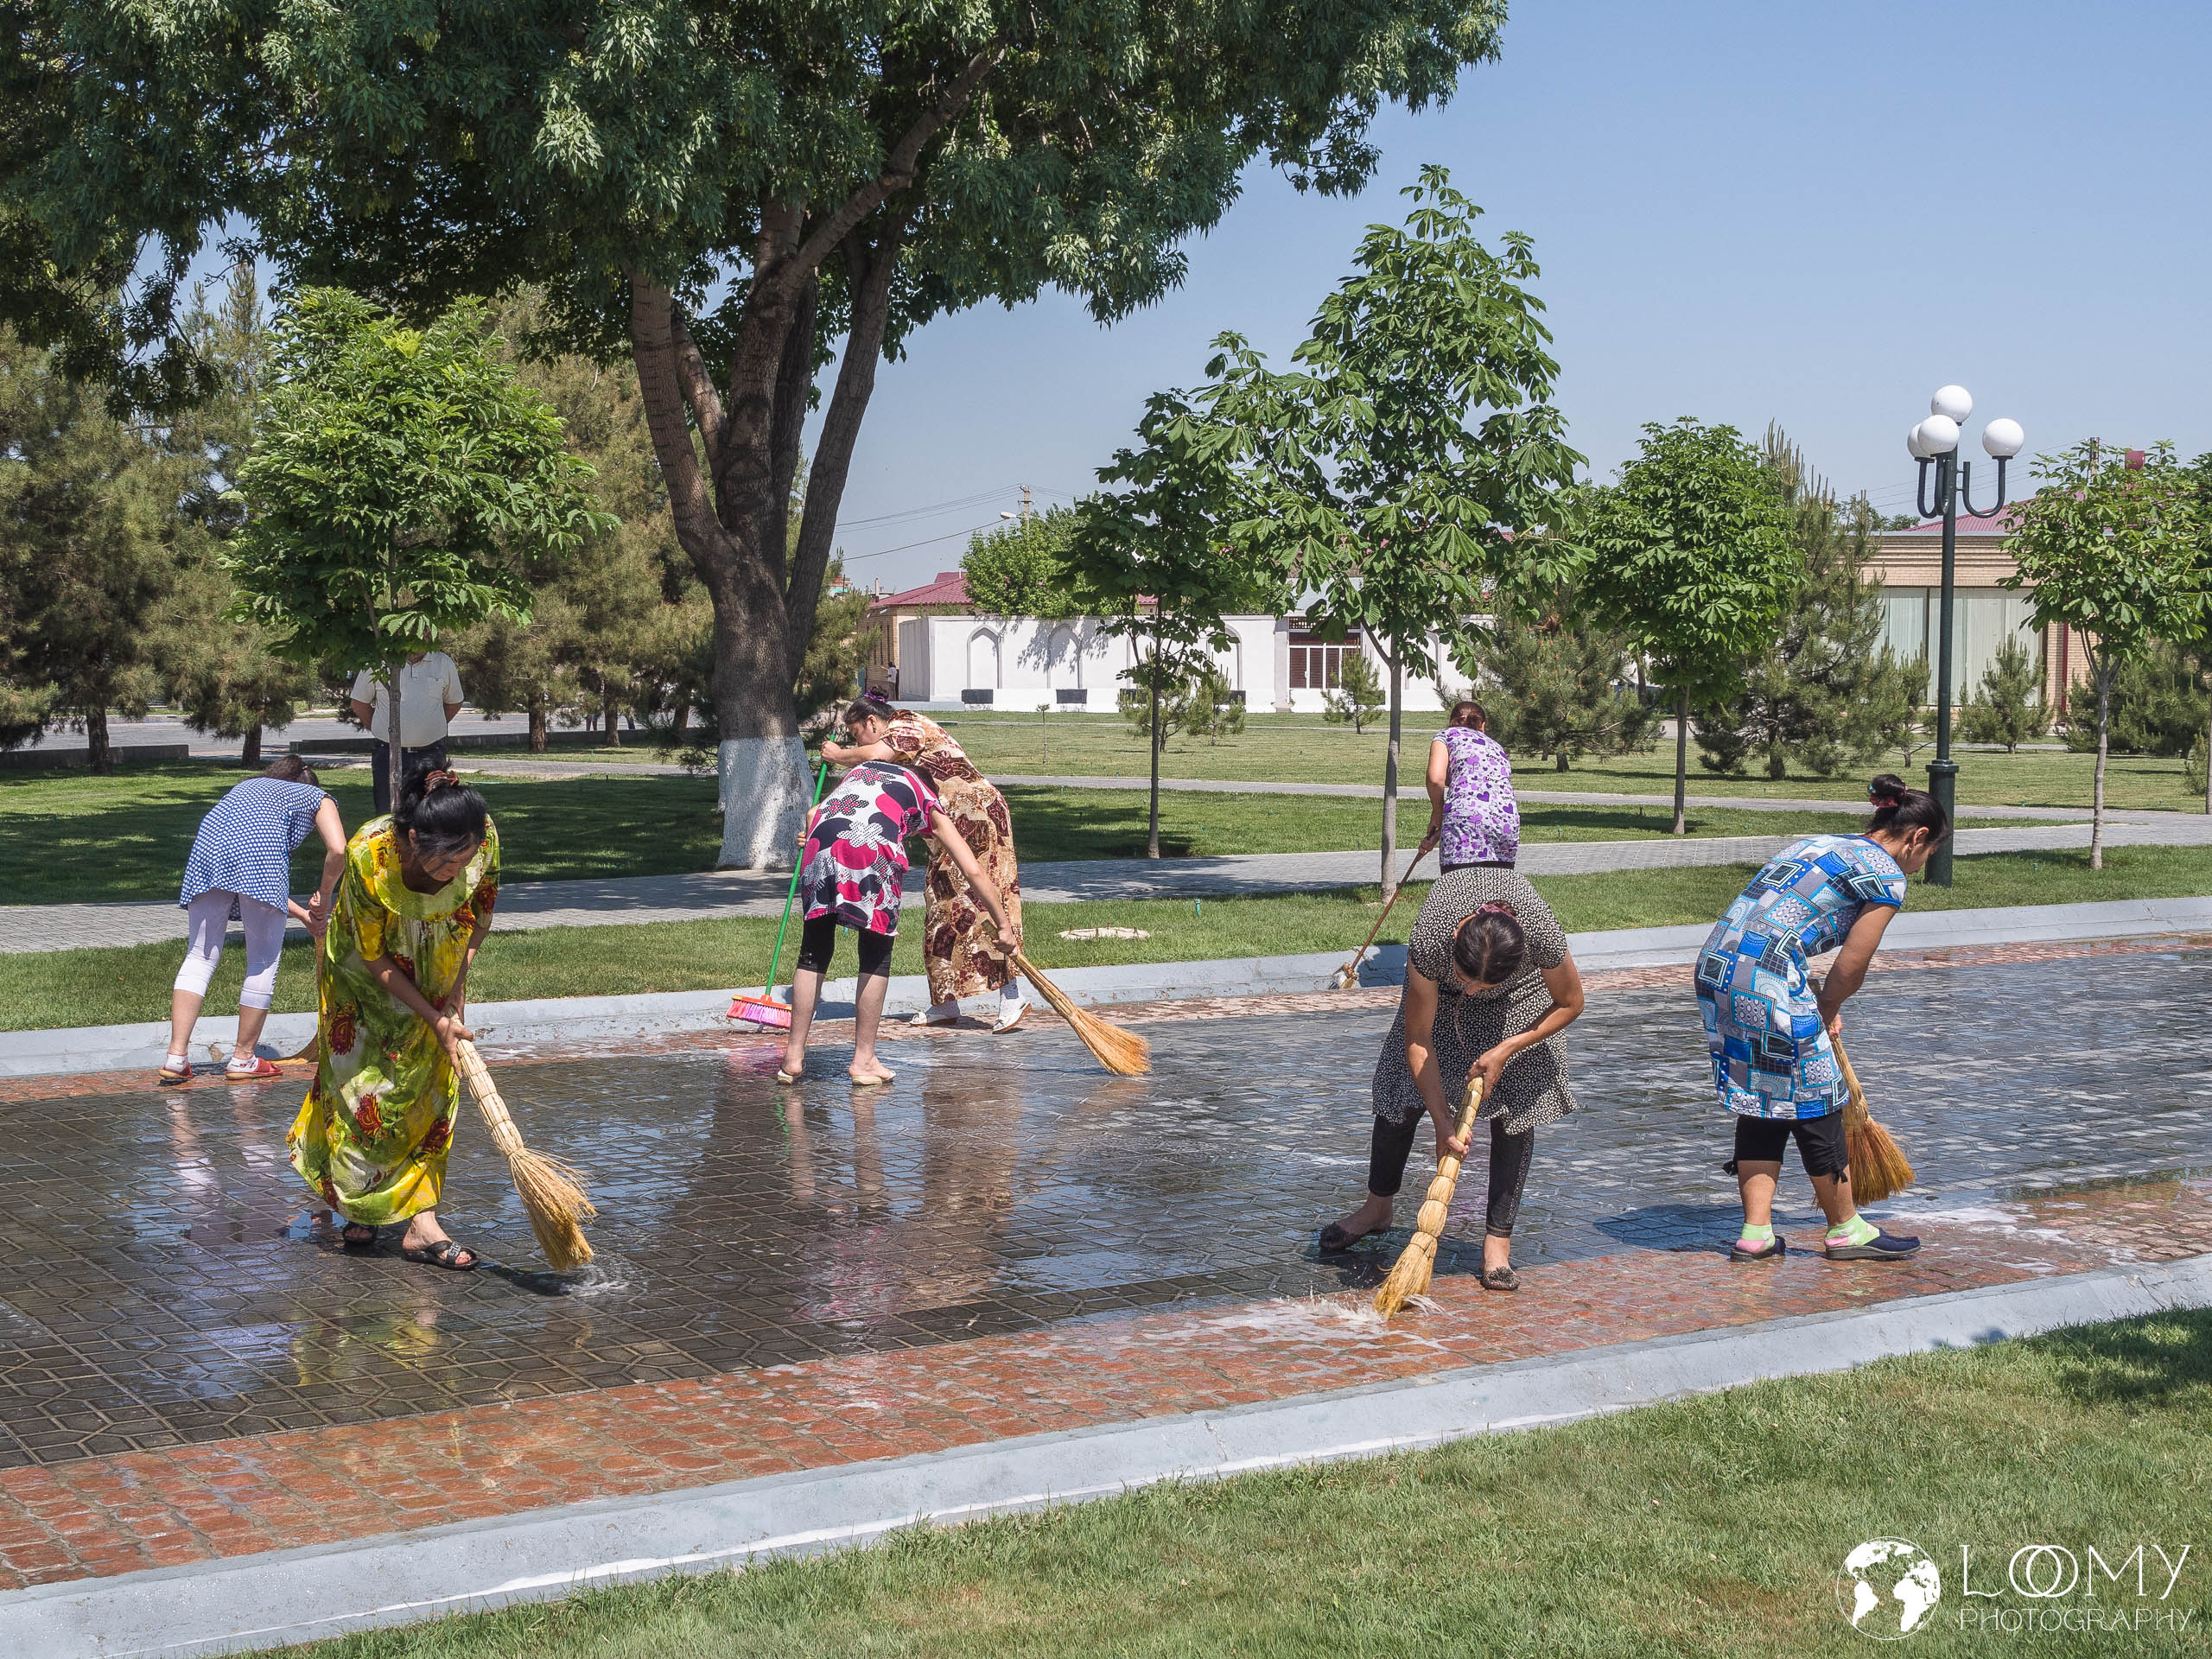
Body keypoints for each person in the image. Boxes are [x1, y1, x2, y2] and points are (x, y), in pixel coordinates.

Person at [1695, 773, 1948, 1265]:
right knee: (1818, 1098)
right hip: (1767, 981)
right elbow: (1853, 962)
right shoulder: (1885, 876)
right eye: (1928, 854)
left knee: (1763, 1096)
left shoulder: (1823, 842)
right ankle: (1846, 1229)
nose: (1920, 866)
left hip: (1719, 969)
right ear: (1917, 838)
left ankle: (1756, 1234)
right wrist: (1827, 1008)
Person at [1319, 868, 1586, 1292]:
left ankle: (1497, 1243)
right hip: (1437, 1003)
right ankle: (1377, 1210)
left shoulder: (1539, 929)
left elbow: (1571, 1002)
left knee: (1514, 1113)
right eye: (1468, 980)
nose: (1474, 992)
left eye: (1484, 985)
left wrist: (1505, 1050)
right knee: (1399, 1095)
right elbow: (1419, 1038)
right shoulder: (1432, 935)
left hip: (1521, 1004)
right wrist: (1443, 1121)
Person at [288, 764, 499, 1270]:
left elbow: (478, 917)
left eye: (464, 859)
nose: (456, 869)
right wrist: (431, 1013)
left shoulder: (482, 837)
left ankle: (421, 1224)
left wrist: (449, 1000)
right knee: (364, 1088)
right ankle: (360, 1204)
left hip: (438, 965)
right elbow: (374, 955)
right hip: (362, 976)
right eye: (446, 861)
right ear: (410, 838)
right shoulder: (368, 855)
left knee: (428, 1086)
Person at [779, 752, 1017, 1086]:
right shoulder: (926, 796)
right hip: (871, 852)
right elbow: (973, 869)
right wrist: (1004, 926)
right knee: (876, 955)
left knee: (813, 951)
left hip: (820, 846)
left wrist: (819, 838)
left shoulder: (864, 771)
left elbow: (814, 812)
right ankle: (864, 1060)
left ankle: (792, 1057)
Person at [822, 695, 1029, 1031]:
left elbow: (875, 753)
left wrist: (839, 756)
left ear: (873, 723)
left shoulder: (906, 723)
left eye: (857, 734)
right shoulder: (896, 755)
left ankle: (1012, 995)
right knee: (940, 910)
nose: (857, 744)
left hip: (976, 818)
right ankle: (944, 1002)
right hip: (943, 828)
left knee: (985, 903)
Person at [161, 755, 347, 1086]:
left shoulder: (246, 789)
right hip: (252, 860)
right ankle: (243, 1058)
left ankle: (176, 1058)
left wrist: (305, 914)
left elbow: (252, 878)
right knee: (262, 961)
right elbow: (338, 849)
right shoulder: (318, 797)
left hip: (207, 850)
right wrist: (326, 893)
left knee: (200, 956)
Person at [349, 650, 467, 816]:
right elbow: (359, 703)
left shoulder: (443, 662)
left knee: (433, 815)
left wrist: (430, 726)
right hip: (388, 754)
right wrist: (384, 729)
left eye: (427, 630)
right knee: (388, 815)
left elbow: (454, 702)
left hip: (431, 754)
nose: (423, 634)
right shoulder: (378, 662)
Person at [1419, 699, 1520, 873]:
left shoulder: (1447, 736)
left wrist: (1437, 813)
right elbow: (1480, 806)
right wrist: (1436, 836)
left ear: (1452, 721)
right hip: (1507, 823)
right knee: (1497, 894)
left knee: (1460, 890)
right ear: (1483, 725)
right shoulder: (1496, 746)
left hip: (1464, 822)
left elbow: (1436, 780)